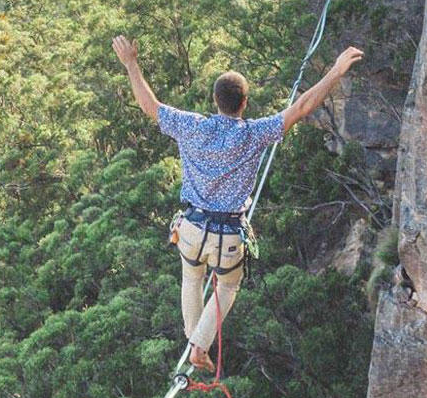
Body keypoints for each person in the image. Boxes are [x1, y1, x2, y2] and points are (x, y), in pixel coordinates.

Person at [111, 35, 363, 371]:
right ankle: (199, 345)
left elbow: (150, 106)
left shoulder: (192, 126)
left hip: (192, 226)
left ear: (215, 100)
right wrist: (334, 72)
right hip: (228, 235)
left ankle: (193, 339)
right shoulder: (253, 133)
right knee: (227, 287)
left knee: (191, 278)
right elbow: (303, 107)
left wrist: (131, 63)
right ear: (244, 103)